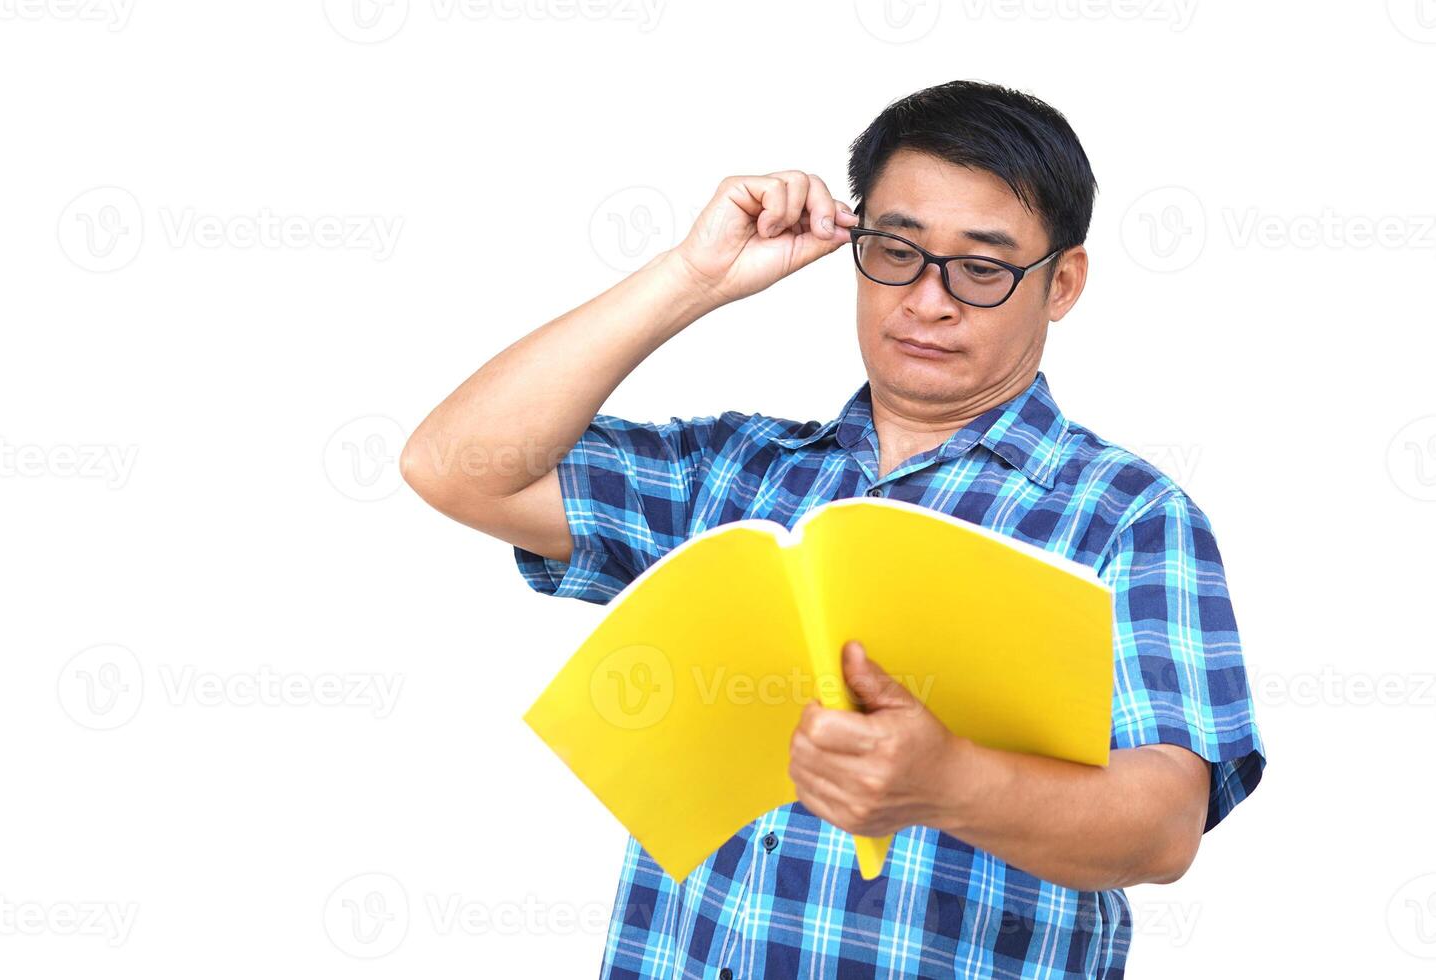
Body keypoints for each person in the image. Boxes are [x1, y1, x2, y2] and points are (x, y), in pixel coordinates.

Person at [401, 79, 1266, 979]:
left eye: (981, 267)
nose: (927, 301)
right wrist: (691, 280)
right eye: (896, 249)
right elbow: (455, 464)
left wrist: (948, 783)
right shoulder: (735, 473)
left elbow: (1164, 826)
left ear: (1064, 283)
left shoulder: (1126, 515)